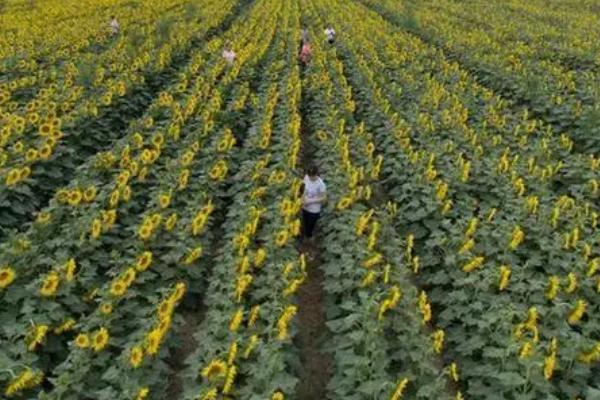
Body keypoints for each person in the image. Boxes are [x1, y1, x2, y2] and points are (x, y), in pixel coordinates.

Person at [301, 165, 327, 239]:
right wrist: (303, 197)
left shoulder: (321, 184)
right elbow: (304, 188)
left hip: (314, 209)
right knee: (305, 221)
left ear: (316, 174)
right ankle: (305, 234)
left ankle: (309, 236)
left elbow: (323, 198)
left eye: (312, 176)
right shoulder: (306, 177)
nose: (310, 178)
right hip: (305, 206)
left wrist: (311, 201)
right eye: (310, 176)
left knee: (311, 224)